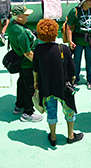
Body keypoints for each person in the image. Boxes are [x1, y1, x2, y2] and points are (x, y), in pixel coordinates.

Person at [33, 19, 83, 147]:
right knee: (69, 110)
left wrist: (36, 83)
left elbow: (36, 70)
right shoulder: (64, 49)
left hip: (47, 87)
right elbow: (72, 70)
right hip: (64, 88)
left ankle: (53, 137)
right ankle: (71, 135)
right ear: (55, 33)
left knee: (51, 111)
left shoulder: (38, 50)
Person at [7, 5, 42, 122]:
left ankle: (19, 105)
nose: (27, 17)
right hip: (27, 64)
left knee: (22, 83)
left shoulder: (12, 24)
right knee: (29, 87)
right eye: (25, 15)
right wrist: (38, 64)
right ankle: (28, 113)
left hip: (21, 62)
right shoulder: (22, 33)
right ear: (19, 16)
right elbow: (28, 53)